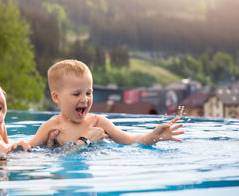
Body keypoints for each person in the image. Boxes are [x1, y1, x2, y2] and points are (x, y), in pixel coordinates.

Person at [27, 59, 184, 148]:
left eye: (89, 93)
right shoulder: (51, 127)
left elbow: (131, 141)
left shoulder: (98, 122)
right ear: (56, 97)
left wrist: (153, 136)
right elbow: (27, 151)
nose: (85, 99)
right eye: (76, 94)